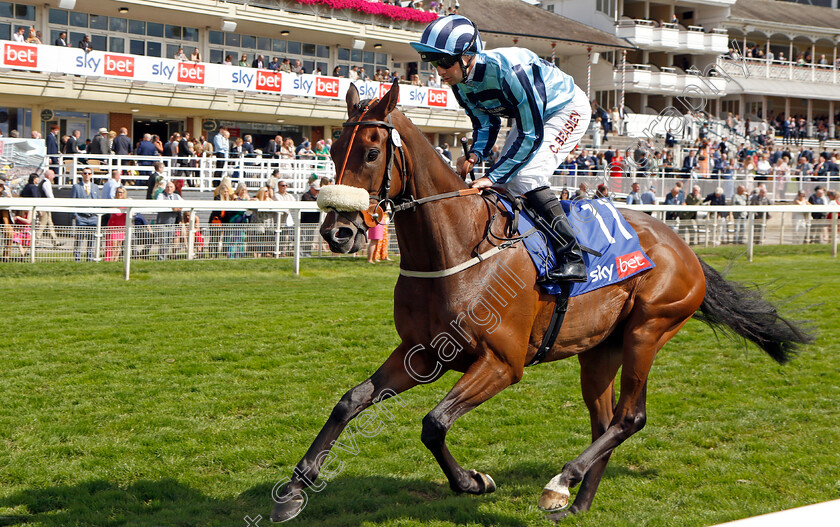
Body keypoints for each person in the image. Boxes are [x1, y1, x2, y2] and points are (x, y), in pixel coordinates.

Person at [411, 15, 590, 282]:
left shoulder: (509, 71)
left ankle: (572, 256)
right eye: (434, 62)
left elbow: (531, 135)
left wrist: (492, 176)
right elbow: (486, 123)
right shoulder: (461, 85)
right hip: (531, 117)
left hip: (566, 108)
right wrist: (475, 154)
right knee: (510, 183)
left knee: (526, 177)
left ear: (468, 56)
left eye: (445, 61)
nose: (440, 70)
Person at [70, 168, 101, 261]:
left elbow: (98, 202)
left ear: (91, 175)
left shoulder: (95, 187)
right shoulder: (76, 187)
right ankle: (77, 259)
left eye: (89, 173)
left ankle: (89, 259)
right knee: (79, 239)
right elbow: (72, 202)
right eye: (85, 173)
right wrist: (75, 216)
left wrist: (97, 215)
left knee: (91, 240)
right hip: (81, 217)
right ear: (82, 174)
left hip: (92, 217)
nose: (87, 175)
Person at [156, 180, 183, 260]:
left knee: (168, 241)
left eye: (171, 187)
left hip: (172, 223)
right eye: (167, 187)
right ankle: (161, 259)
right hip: (162, 223)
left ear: (174, 188)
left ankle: (163, 257)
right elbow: (160, 205)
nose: (169, 188)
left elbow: (183, 204)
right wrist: (172, 208)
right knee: (163, 241)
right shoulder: (161, 195)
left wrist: (177, 209)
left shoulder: (177, 196)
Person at [36, 170, 60, 246]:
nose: (54, 177)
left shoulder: (43, 182)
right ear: (49, 176)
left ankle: (55, 241)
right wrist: (54, 203)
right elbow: (49, 195)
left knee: (50, 224)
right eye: (53, 175)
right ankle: (35, 241)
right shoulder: (46, 183)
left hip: (45, 206)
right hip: (44, 206)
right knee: (42, 224)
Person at [105, 186, 129, 261]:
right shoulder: (113, 201)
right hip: (113, 224)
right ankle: (110, 259)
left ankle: (115, 259)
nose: (119, 194)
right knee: (113, 244)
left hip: (121, 225)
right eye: (118, 192)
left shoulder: (126, 202)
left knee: (119, 244)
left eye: (121, 192)